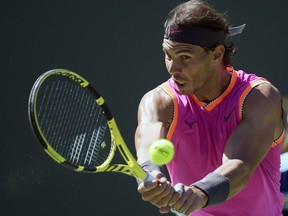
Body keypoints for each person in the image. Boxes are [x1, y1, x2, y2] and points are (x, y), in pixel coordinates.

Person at [135, 0, 285, 215]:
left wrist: (200, 193)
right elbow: (146, 149)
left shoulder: (259, 96)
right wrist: (151, 176)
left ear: (216, 54)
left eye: (184, 57)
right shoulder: (159, 101)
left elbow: (240, 165)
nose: (173, 68)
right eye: (168, 55)